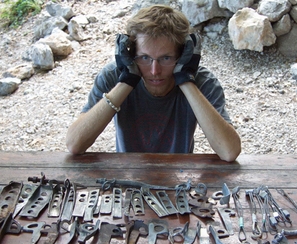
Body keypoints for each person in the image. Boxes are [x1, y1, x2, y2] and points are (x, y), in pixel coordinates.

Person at [66, 5, 241, 162]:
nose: (154, 70)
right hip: (130, 178)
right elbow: (75, 144)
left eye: (166, 58)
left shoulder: (203, 81)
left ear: (183, 56)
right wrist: (126, 82)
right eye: (145, 58)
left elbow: (229, 152)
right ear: (131, 55)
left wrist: (186, 80)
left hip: (178, 178)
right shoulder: (113, 76)